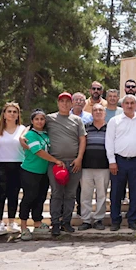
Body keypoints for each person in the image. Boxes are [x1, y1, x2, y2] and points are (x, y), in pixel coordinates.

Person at [44, 92, 86, 236]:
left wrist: (79, 158)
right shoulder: (49, 119)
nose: (65, 104)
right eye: (62, 101)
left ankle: (66, 222)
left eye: (68, 101)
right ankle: (55, 222)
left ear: (72, 103)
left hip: (74, 162)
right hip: (56, 163)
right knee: (56, 193)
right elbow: (34, 128)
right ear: (58, 103)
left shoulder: (77, 120)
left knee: (70, 194)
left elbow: (82, 140)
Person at [18, 109, 64, 241]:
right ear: (32, 121)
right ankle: (24, 227)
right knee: (29, 198)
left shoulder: (44, 134)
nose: (39, 121)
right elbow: (38, 152)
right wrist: (55, 161)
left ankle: (37, 222)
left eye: (42, 119)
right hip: (30, 171)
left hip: (43, 172)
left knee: (40, 197)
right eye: (36, 119)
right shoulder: (31, 135)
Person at [105, 95, 136, 231]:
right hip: (119, 161)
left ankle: (132, 220)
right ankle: (115, 220)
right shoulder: (114, 121)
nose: (129, 105)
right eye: (126, 103)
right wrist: (112, 161)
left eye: (132, 103)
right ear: (122, 105)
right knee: (116, 192)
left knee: (135, 192)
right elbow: (109, 142)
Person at [0, 102, 25, 236]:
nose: (12, 114)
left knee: (14, 194)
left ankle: (12, 221)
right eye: (9, 111)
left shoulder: (23, 129)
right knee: (0, 195)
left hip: (18, 164)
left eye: (14, 112)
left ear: (18, 115)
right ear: (4, 114)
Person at [78, 104, 109, 231]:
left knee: (101, 195)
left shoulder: (110, 128)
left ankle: (98, 219)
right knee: (85, 194)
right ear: (91, 113)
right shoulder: (85, 128)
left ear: (104, 113)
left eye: (100, 110)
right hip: (86, 166)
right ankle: (85, 220)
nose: (97, 112)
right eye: (95, 110)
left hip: (104, 166)